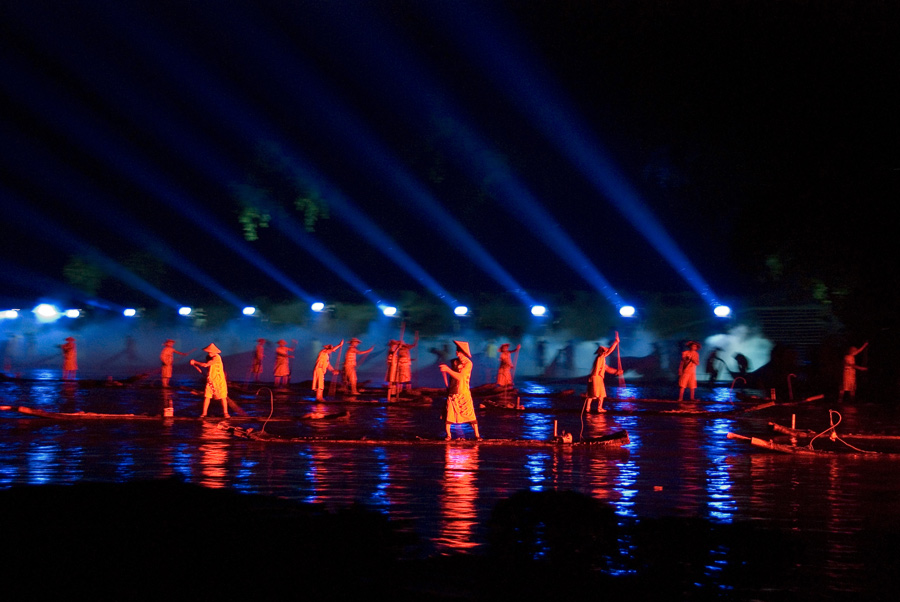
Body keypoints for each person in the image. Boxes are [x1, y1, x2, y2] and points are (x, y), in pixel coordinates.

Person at [440, 340, 482, 441]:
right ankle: (449, 435)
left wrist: (447, 370)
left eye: (459, 351)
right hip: (453, 391)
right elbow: (452, 377)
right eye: (457, 350)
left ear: (463, 352)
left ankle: (477, 435)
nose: (457, 352)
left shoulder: (468, 364)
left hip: (463, 392)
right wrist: (448, 387)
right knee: (449, 414)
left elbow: (460, 377)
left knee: (470, 414)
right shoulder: (455, 362)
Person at [191, 343, 229, 418]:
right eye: (209, 352)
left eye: (210, 352)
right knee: (207, 396)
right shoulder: (210, 358)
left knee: (223, 397)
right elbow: (209, 369)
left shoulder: (216, 358)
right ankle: (204, 413)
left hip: (219, 381)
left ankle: (226, 413)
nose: (209, 353)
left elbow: (205, 365)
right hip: (211, 381)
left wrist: (195, 362)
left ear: (215, 352)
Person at [586, 333, 620, 413]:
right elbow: (610, 351)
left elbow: (606, 368)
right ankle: (595, 408)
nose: (605, 353)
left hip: (597, 377)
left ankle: (592, 408)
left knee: (595, 394)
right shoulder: (600, 357)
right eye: (604, 351)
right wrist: (615, 342)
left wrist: (616, 372)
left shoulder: (601, 359)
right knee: (598, 394)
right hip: (596, 377)